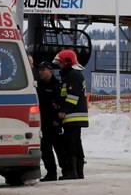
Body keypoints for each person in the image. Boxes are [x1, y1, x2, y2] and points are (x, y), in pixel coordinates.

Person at [53, 49, 88, 180]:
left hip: (73, 116)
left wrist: (63, 111)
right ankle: (78, 173)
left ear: (67, 62)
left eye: (60, 63)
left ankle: (73, 173)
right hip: (73, 116)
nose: (59, 66)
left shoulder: (73, 75)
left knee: (71, 143)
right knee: (75, 143)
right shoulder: (71, 75)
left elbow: (73, 96)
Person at [36, 61, 67, 182]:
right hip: (43, 122)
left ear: (50, 71)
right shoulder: (39, 85)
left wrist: (58, 120)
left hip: (54, 122)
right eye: (40, 70)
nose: (41, 72)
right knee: (45, 149)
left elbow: (61, 104)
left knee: (59, 148)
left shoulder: (56, 85)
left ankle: (66, 171)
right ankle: (51, 173)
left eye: (44, 70)